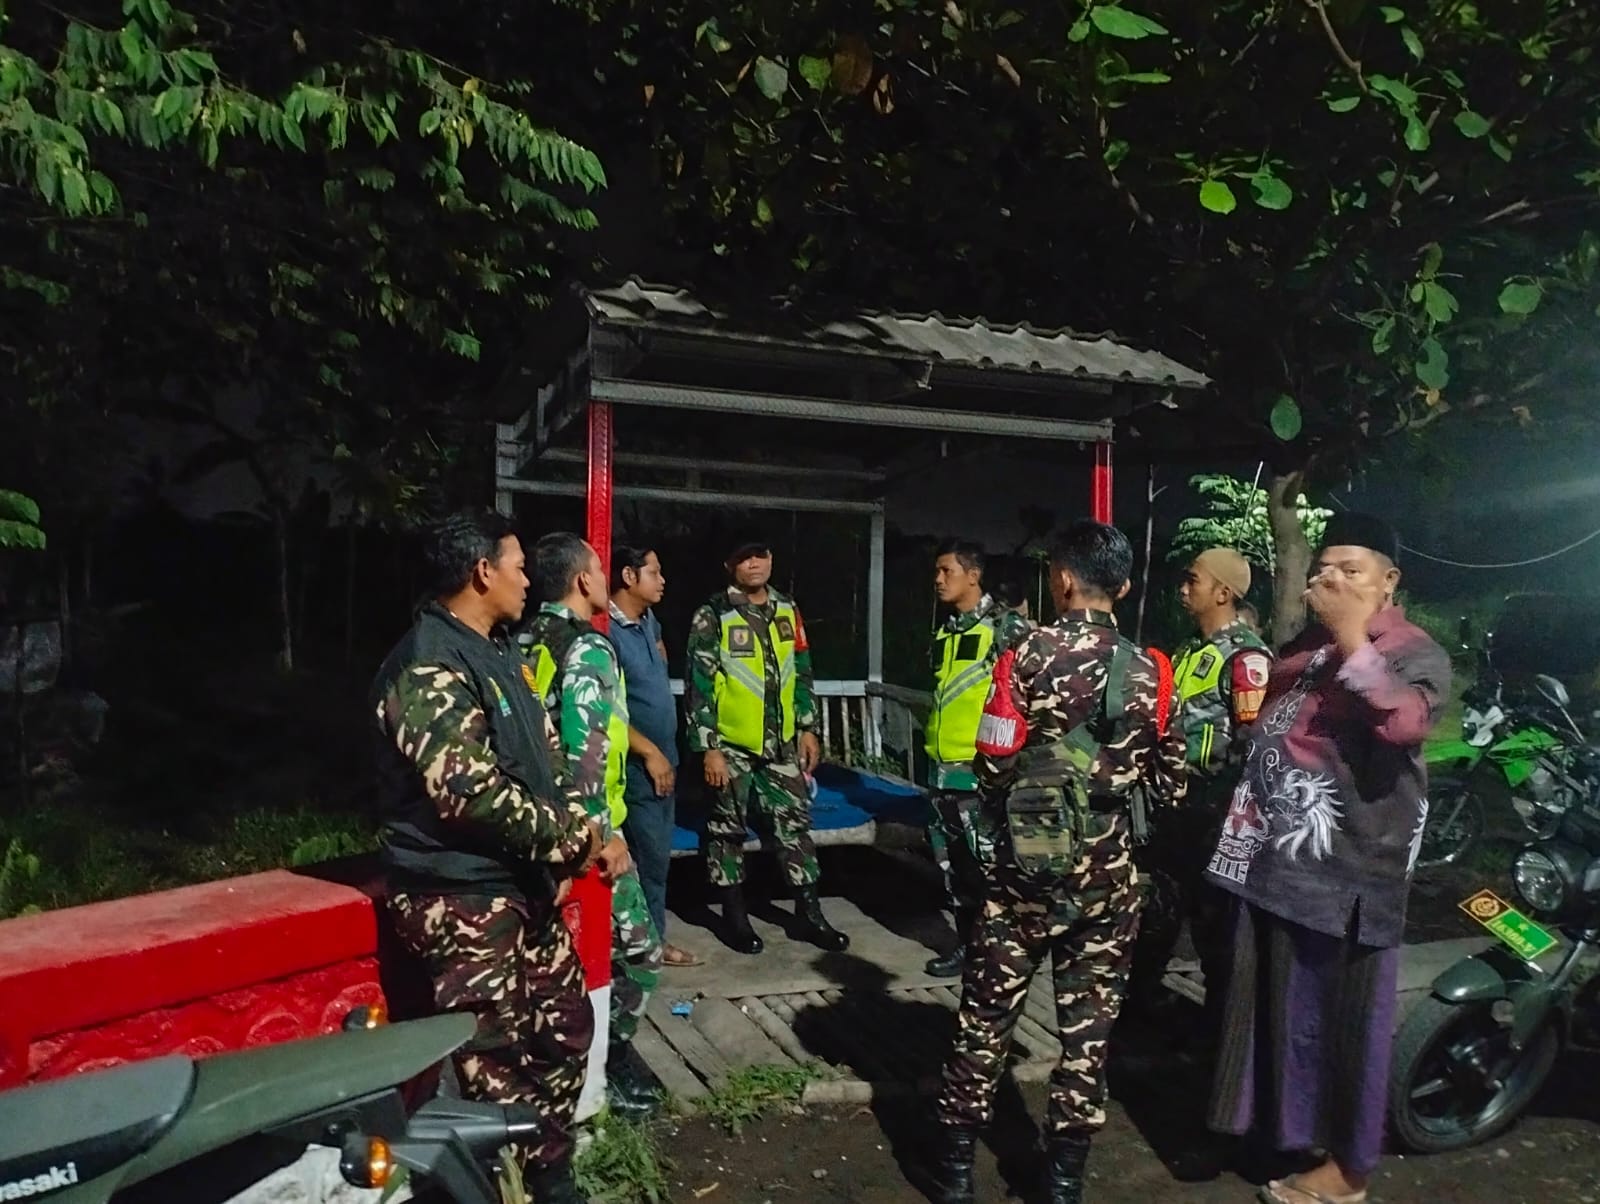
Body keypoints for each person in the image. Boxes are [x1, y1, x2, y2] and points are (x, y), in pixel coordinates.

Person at [925, 521, 1187, 1204]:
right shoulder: (1155, 671)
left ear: (1062, 580)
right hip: (1109, 882)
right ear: (1123, 587)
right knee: (1089, 1031)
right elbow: (1173, 784)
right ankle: (1063, 1178)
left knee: (985, 1017)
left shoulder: (1021, 655)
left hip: (1021, 878)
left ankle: (954, 1171)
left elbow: (990, 759)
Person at [1205, 514, 1450, 1204]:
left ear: (1388, 581)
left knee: (1343, 1023)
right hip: (1277, 863)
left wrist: (1350, 634)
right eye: (1323, 569)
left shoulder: (1411, 650)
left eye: (1351, 568)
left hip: (1348, 871)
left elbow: (1405, 722)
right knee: (1274, 1011)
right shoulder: (1299, 648)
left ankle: (1348, 1172)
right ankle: (1275, 1133)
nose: (1332, 579)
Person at [373, 510, 606, 1204]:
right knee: (495, 1062)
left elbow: (542, 758)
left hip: (519, 884)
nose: (528, 579)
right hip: (461, 895)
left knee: (565, 1032)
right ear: (482, 572)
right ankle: (521, 1190)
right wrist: (565, 840)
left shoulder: (496, 651)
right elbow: (468, 795)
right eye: (518, 565)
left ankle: (551, 1172)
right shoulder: (427, 663)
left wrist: (566, 838)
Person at [522, 532, 664, 1119]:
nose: (605, 580)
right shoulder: (587, 648)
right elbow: (588, 751)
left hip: (534, 826)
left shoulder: (525, 639)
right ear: (583, 581)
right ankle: (610, 1059)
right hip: (587, 838)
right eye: (601, 571)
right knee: (639, 954)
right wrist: (601, 835)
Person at [1128, 547, 1272, 1032]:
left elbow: (1257, 743)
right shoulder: (1190, 651)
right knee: (1157, 914)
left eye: (1193, 580)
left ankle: (1220, 1031)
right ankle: (1142, 1008)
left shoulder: (1247, 656)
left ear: (1224, 592)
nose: (1183, 588)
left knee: (1216, 930)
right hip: (1176, 810)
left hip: (1218, 814)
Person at [684, 535, 848, 955]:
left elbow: (803, 670)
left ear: (771, 559)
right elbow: (699, 686)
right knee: (726, 832)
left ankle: (809, 916)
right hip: (732, 747)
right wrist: (709, 748)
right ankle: (735, 920)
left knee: (795, 827)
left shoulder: (787, 609)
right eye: (743, 558)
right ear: (729, 566)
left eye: (760, 555)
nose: (754, 564)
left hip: (782, 747)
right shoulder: (713, 614)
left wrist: (808, 727)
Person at [922, 538, 1033, 977]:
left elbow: (1030, 697)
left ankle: (1003, 956)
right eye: (936, 571)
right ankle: (968, 949)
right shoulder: (949, 632)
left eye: (947, 571)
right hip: (941, 774)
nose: (938, 579)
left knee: (991, 871)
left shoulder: (1005, 627)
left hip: (981, 776)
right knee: (956, 873)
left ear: (974, 575)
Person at [608, 543, 702, 968]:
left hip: (663, 760)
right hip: (638, 764)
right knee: (646, 859)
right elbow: (606, 708)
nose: (662, 581)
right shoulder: (604, 632)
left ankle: (649, 941)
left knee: (657, 856)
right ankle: (646, 946)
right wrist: (648, 752)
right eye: (654, 572)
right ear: (628, 577)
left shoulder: (648, 622)